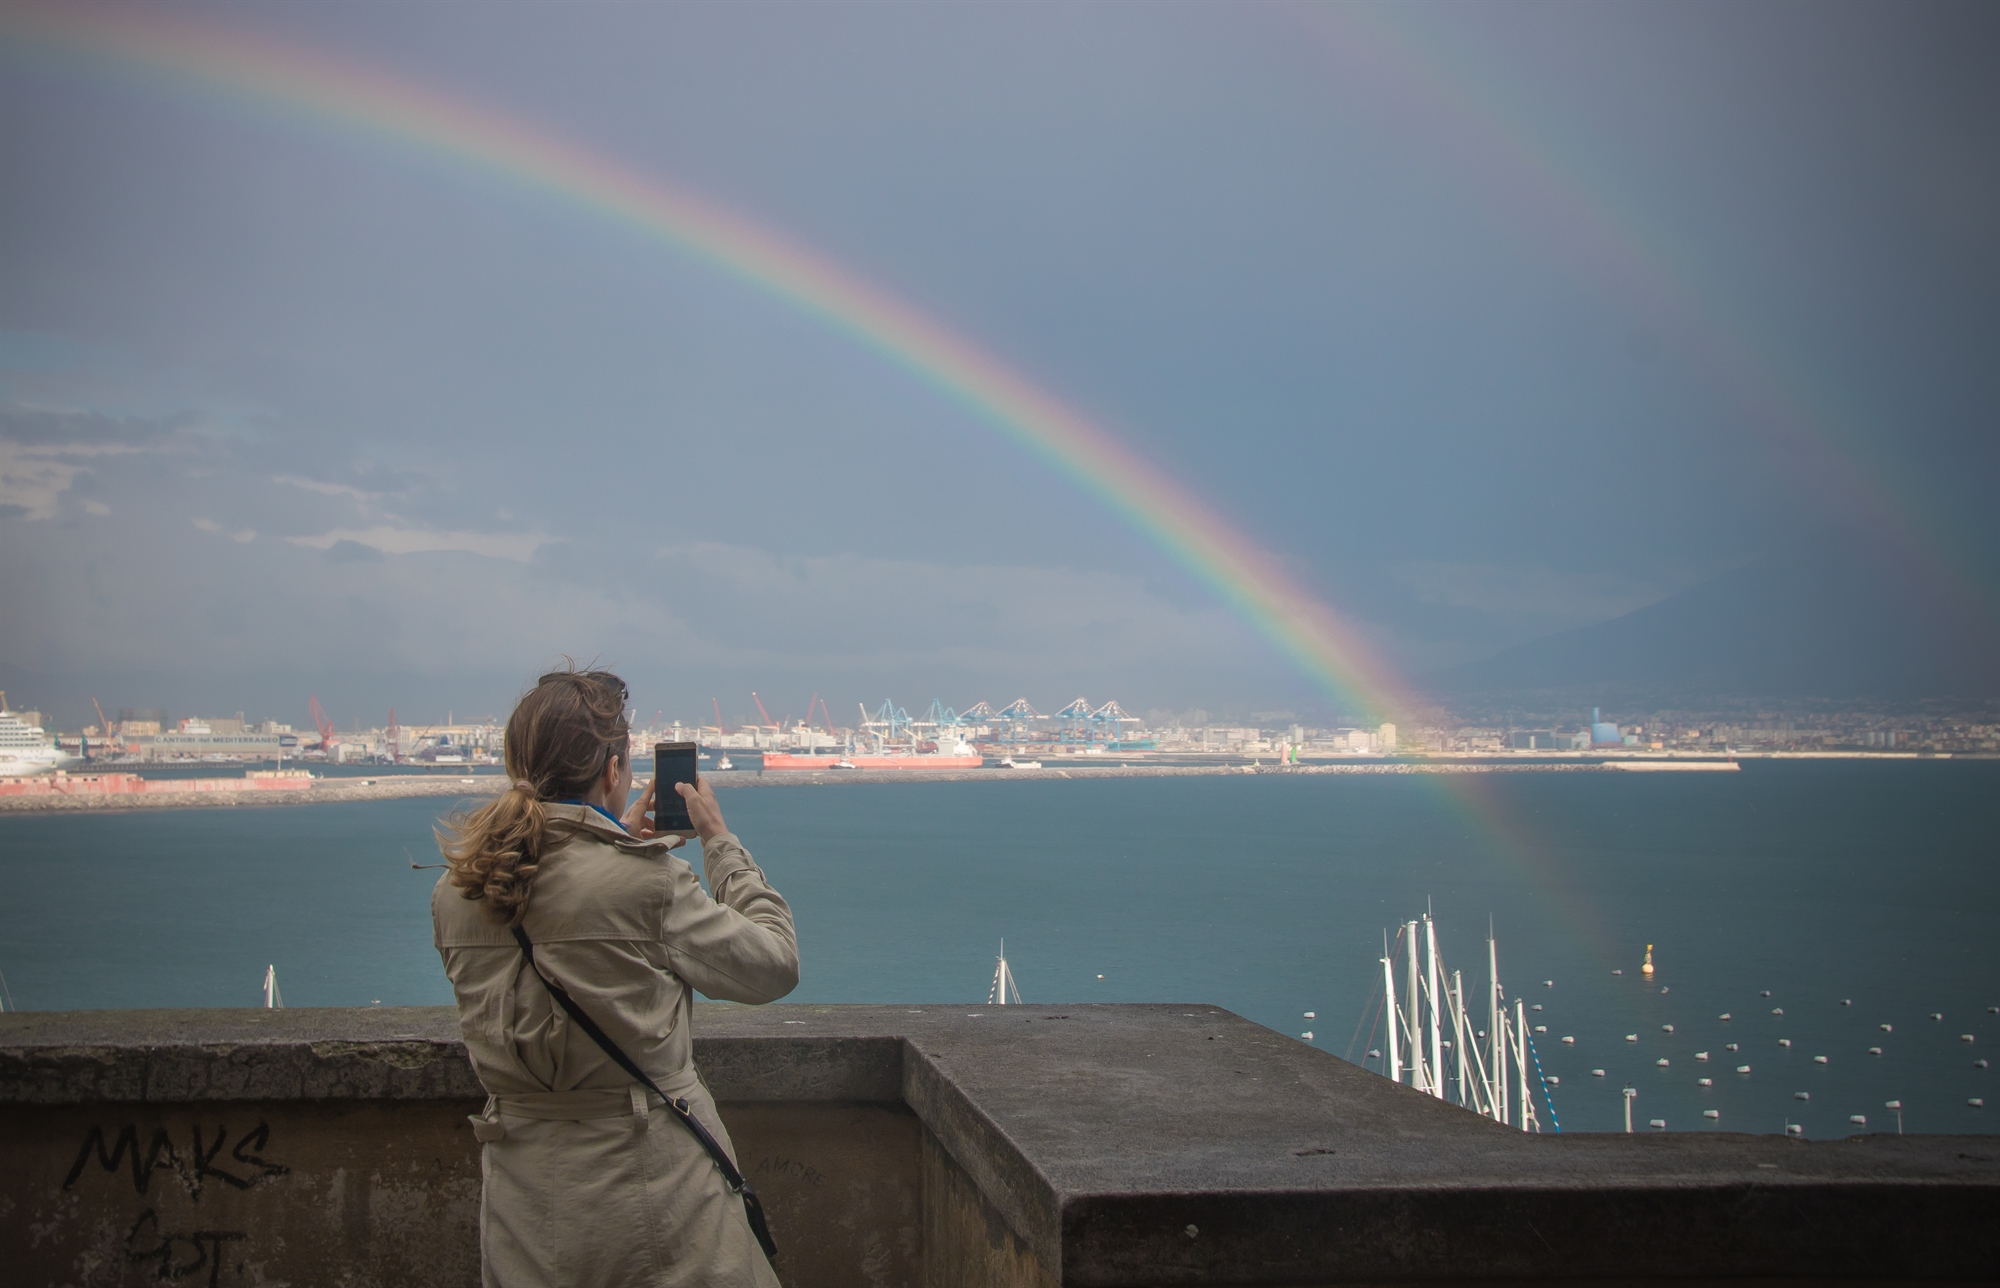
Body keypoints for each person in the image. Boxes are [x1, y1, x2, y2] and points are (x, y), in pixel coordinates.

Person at [432, 666, 798, 1288]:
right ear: (612, 770)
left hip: (524, 1209)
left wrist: (611, 844)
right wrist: (719, 842)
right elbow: (774, 964)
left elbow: (556, 919)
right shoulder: (646, 883)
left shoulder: (457, 891)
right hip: (655, 1198)